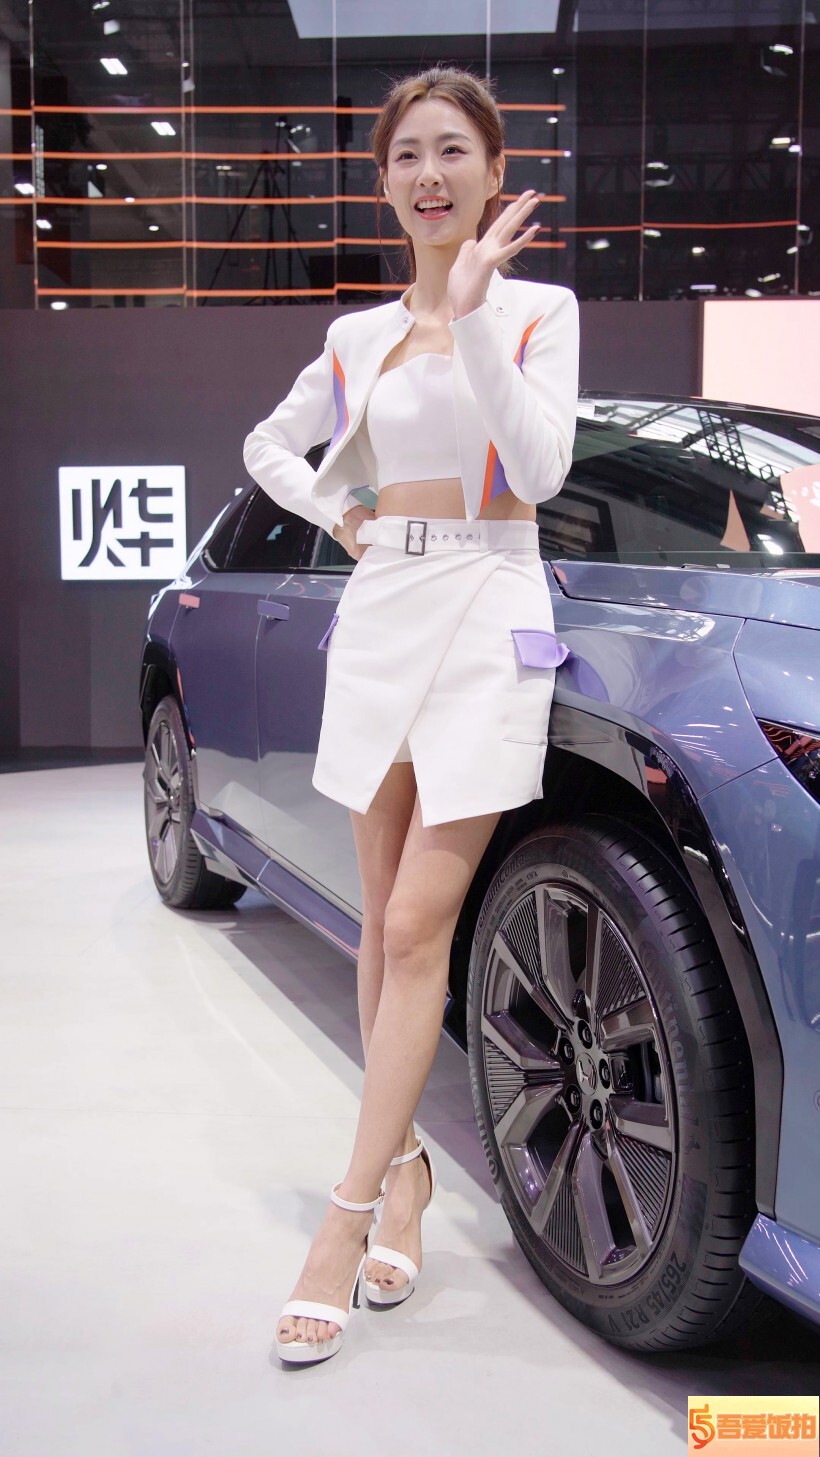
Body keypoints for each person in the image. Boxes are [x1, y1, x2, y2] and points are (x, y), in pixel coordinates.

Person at [242, 64, 579, 1365]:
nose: (429, 174)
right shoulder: (355, 337)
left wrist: (477, 312)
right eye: (406, 155)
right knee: (378, 917)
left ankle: (342, 1217)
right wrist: (342, 509)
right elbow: (269, 448)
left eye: (452, 151)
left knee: (418, 919)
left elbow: (540, 467)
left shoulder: (537, 309)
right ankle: (405, 1182)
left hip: (493, 604)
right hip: (386, 601)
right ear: (384, 180)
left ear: (493, 171)